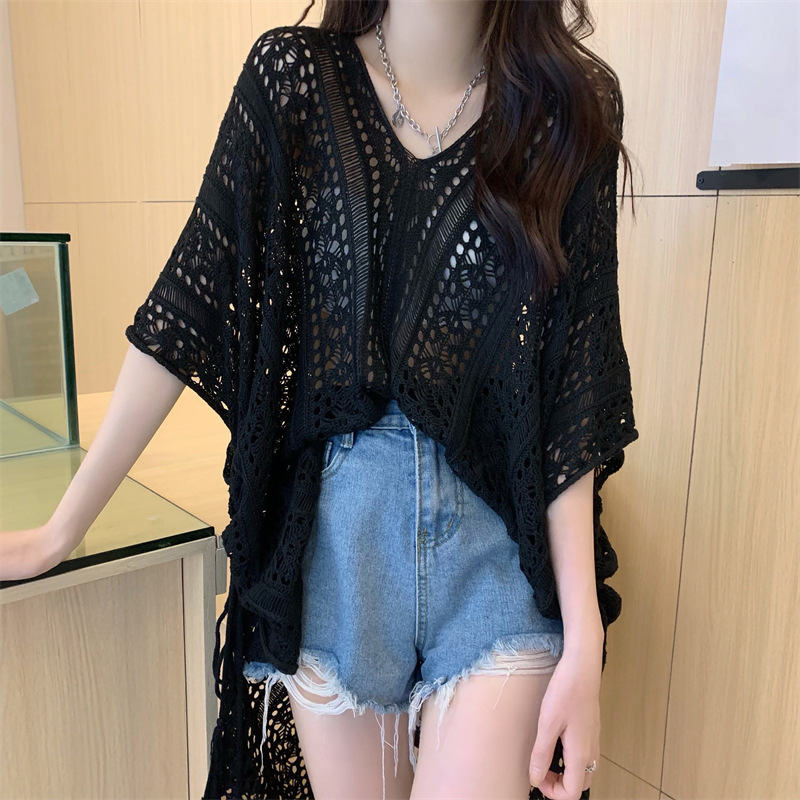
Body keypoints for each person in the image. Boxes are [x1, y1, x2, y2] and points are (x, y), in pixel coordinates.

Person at [0, 1, 640, 799]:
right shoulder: (295, 82)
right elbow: (186, 307)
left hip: (497, 558)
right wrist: (61, 530)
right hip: (340, 554)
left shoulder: (567, 108)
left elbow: (573, 394)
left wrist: (584, 636)